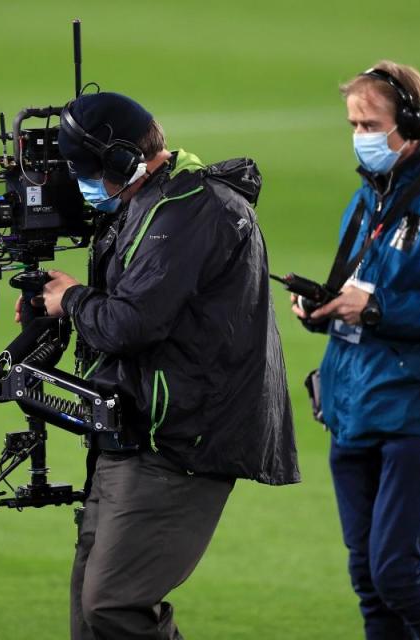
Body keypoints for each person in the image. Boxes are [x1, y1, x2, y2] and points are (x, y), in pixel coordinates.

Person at [37, 91, 299, 640]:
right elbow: (135, 309)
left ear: (119, 161)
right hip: (135, 432)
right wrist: (63, 311)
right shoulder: (150, 204)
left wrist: (76, 301)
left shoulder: (193, 211)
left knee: (114, 605)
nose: (82, 186)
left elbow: (131, 324)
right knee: (91, 618)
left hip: (180, 442)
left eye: (85, 172)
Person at [293, 62, 420, 639]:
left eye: (370, 123)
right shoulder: (368, 197)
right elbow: (358, 290)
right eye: (353, 123)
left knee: (397, 574)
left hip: (414, 412)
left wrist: (378, 308)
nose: (360, 136)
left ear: (412, 121)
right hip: (354, 406)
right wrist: (324, 310)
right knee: (369, 579)